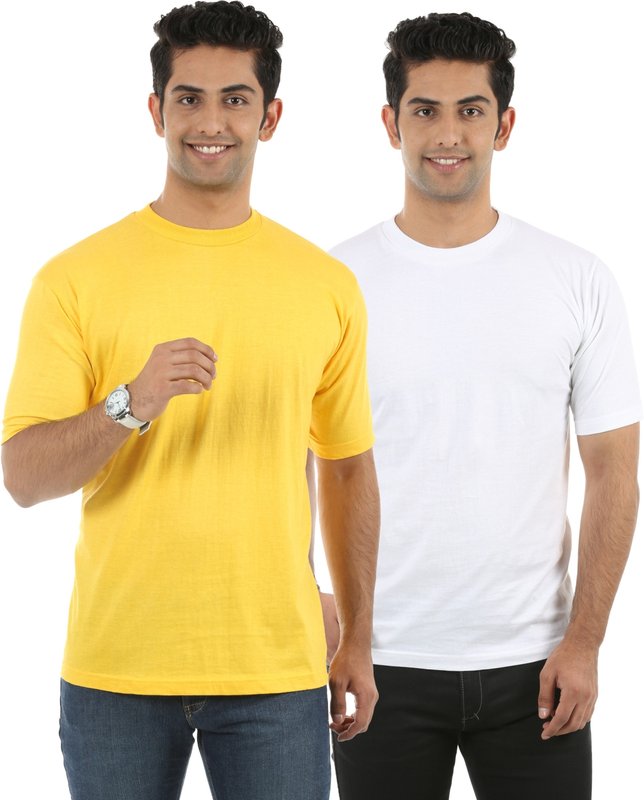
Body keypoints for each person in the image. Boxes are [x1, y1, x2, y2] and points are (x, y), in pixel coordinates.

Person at [1, 3, 379, 799]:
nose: (211, 122)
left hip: (276, 669)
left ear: (270, 117)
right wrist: (131, 402)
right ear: (156, 111)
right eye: (189, 98)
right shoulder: (73, 280)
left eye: (236, 99)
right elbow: (23, 477)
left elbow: (347, 470)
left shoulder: (325, 285)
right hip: (116, 671)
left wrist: (359, 641)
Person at [326, 12, 640, 800]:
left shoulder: (577, 279)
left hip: (538, 667)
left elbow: (614, 472)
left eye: (470, 110)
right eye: (425, 110)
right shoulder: (333, 284)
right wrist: (314, 606)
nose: (447, 134)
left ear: (504, 125)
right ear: (391, 124)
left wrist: (585, 642)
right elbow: (286, 461)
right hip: (379, 661)